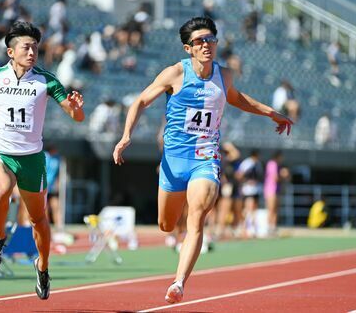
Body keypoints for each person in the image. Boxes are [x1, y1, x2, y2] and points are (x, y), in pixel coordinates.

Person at [112, 16, 292, 304]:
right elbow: (140, 101)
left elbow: (237, 98)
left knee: (197, 218)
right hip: (174, 160)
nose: (207, 45)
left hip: (205, 158)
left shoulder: (225, 75)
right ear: (188, 48)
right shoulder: (174, 74)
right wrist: (125, 136)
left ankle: (179, 282)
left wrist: (271, 112)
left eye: (211, 39)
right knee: (166, 225)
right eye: (200, 41)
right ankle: (174, 241)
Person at [0, 21, 85, 300]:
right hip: (2, 154)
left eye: (35, 46)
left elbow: (75, 115)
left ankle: (43, 267)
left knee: (38, 220)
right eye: (26, 47)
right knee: (2, 190)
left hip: (32, 159)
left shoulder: (46, 80)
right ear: (11, 52)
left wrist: (78, 109)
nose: (32, 51)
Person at [264, 150, 289, 236]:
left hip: (276, 190)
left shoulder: (277, 165)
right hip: (270, 190)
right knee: (271, 209)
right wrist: (283, 175)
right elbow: (275, 178)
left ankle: (273, 227)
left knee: (275, 210)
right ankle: (268, 228)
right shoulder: (272, 164)